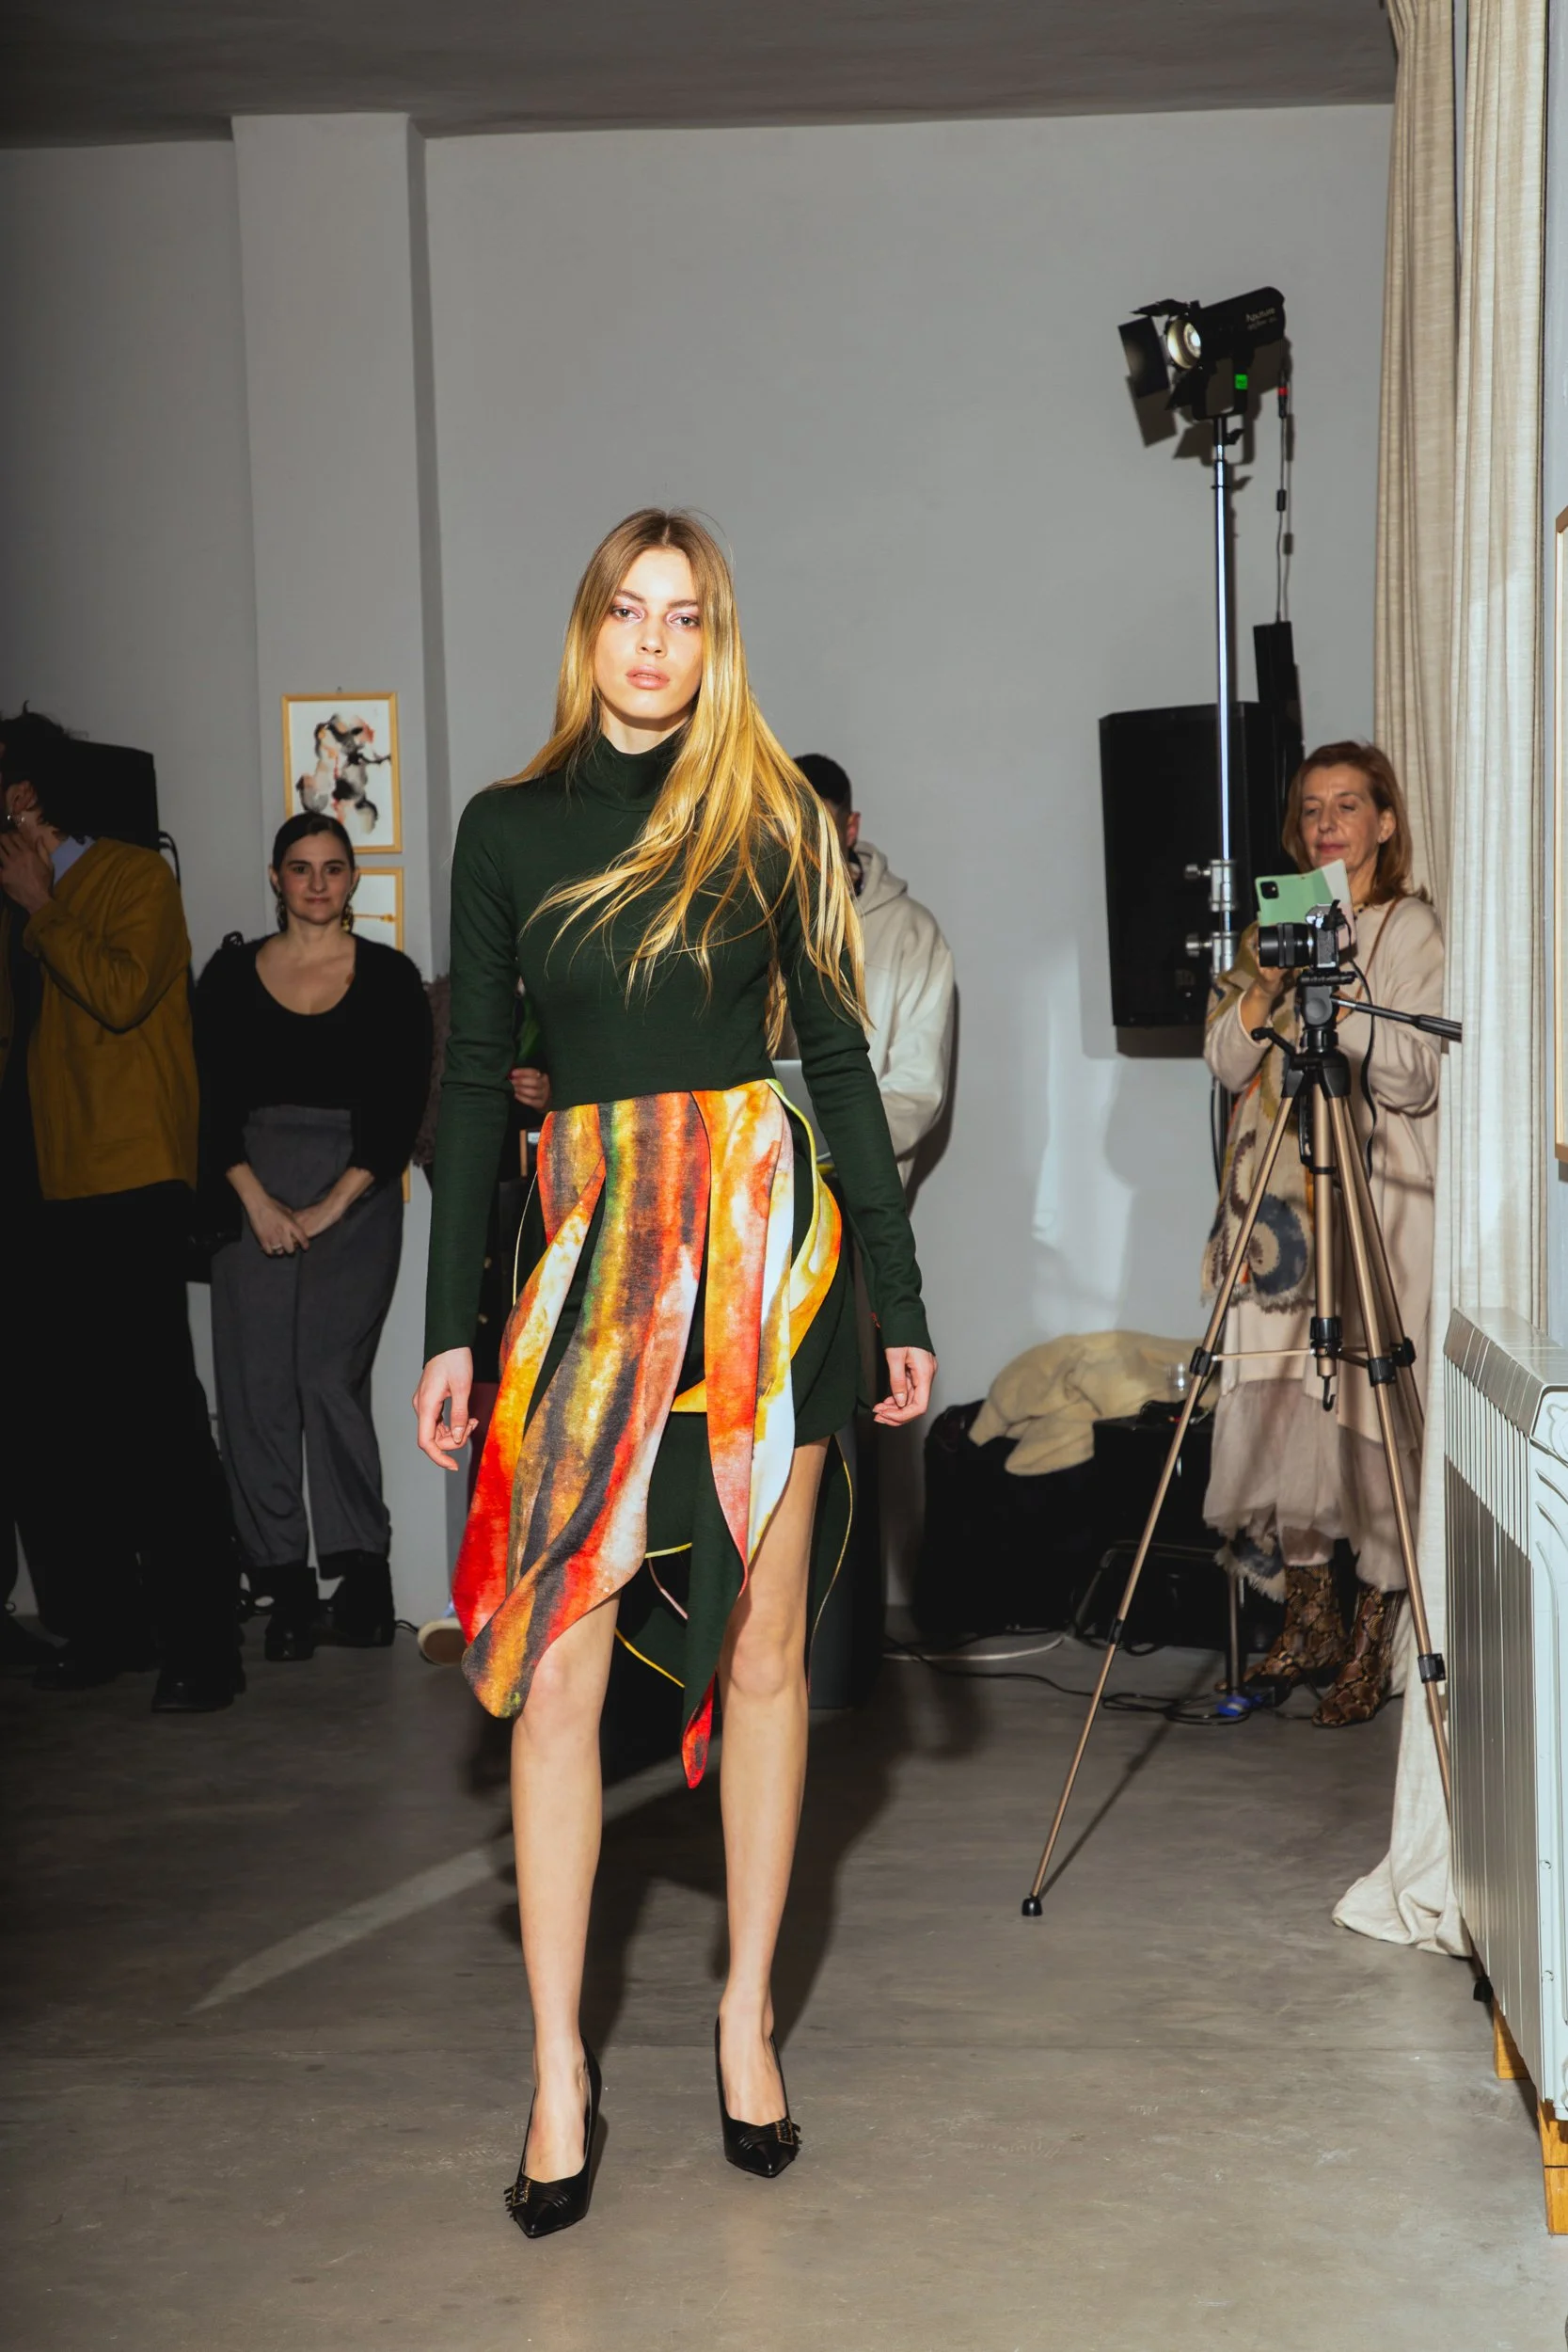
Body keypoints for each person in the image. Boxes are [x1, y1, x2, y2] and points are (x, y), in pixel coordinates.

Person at [414, 509, 935, 2235]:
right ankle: (558, 2065)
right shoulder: (506, 830)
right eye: (627, 614)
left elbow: (841, 1065)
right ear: (589, 632)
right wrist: (448, 1330)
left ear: (717, 641)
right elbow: (475, 1091)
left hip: (761, 1273)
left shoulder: (765, 814)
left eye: (685, 617)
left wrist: (900, 1292)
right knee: (558, 1681)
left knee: (769, 1655)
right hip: (585, 1286)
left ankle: (742, 2018)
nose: (653, 643)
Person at [0, 707, 242, 1709]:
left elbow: (120, 992)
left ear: (41, 796)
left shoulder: (135, 877)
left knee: (155, 1417)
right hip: (41, 1182)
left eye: (14, 789)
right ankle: (104, 1625)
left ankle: (204, 1645)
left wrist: (42, 902)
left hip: (129, 1180)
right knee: (65, 1420)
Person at [1201, 741, 1443, 1725]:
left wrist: (1333, 999)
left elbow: (1415, 1077)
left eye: (1348, 805)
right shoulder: (1278, 926)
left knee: (1367, 1421)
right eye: (1310, 810)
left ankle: (1373, 1634)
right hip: (1272, 1226)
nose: (1327, 824)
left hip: (1371, 1212)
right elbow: (1224, 1061)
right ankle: (1303, 1619)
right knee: (1278, 1413)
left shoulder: (1407, 927)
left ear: (1384, 820)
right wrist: (1265, 985)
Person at [196, 815, 432, 1661]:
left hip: (356, 1189)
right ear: (275, 878)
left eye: (333, 868)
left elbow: (399, 1108)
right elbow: (208, 1099)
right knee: (256, 1388)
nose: (318, 883)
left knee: (329, 1377)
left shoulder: (391, 978)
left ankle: (362, 1575)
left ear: (352, 879)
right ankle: (284, 1585)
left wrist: (330, 1206)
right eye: (301, 868)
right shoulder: (226, 976)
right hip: (247, 1184)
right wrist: (257, 1200)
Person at [793, 753, 954, 1181]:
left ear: (851, 829)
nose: (807, 849)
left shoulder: (911, 932)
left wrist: (839, 1145)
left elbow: (917, 1088)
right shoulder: (740, 919)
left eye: (822, 831)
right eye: (791, 830)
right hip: (749, 1189)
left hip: (857, 1187)